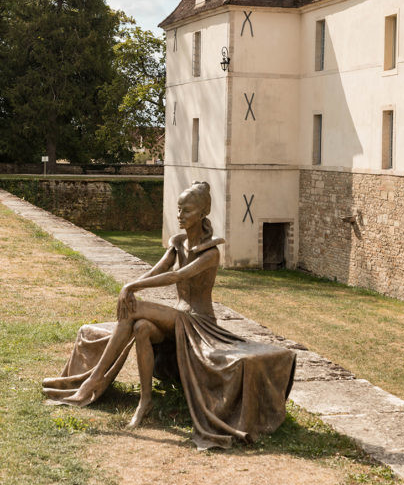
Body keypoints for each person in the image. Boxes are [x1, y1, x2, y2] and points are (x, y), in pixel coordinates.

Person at [44, 181, 295, 449]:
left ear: (202, 214)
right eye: (179, 210)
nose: (180, 215)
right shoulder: (178, 243)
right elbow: (157, 270)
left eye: (186, 211)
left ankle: (94, 380)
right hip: (178, 317)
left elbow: (177, 275)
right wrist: (133, 284)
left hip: (199, 322)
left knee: (135, 309)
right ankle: (145, 401)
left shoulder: (211, 253)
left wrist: (131, 288)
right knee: (141, 327)